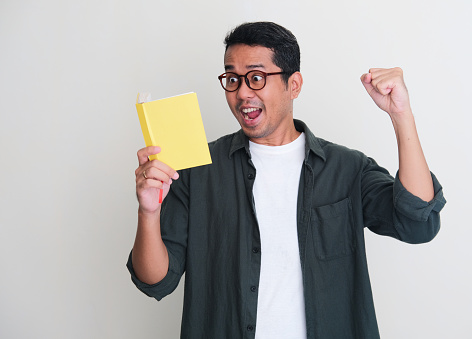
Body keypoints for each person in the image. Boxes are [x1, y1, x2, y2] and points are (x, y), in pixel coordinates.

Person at [127, 21, 446, 339]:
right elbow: (155, 280)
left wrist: (401, 113)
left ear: (294, 84)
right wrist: (149, 212)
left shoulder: (347, 168)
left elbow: (417, 222)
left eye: (256, 78)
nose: (241, 93)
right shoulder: (196, 170)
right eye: (232, 79)